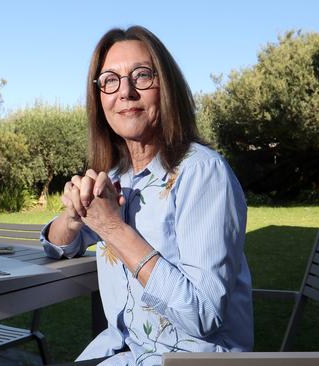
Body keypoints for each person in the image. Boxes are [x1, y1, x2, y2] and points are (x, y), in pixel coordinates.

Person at [40, 25, 253, 366]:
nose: (125, 92)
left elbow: (203, 316)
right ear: (99, 97)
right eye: (110, 79)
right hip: (124, 349)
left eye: (141, 76)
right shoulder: (118, 177)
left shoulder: (201, 173)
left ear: (166, 88)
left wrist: (112, 228)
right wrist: (72, 217)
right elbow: (57, 246)